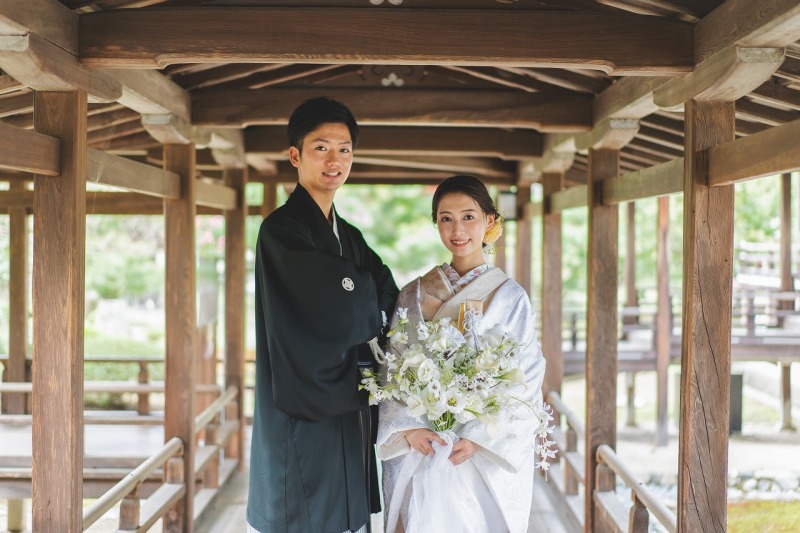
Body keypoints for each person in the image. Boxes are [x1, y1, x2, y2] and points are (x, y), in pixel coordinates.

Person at [246, 96, 398, 533]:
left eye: (344, 149)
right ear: (295, 156)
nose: (335, 160)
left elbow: (384, 290)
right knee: (306, 512)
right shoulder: (280, 231)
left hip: (346, 399)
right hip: (304, 397)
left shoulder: (348, 234)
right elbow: (341, 301)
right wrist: (358, 293)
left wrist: (357, 292)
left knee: (347, 518)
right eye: (321, 148)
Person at [376, 175, 546, 533]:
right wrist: (408, 429)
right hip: (424, 445)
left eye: (469, 216)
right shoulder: (413, 294)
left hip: (478, 453)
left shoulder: (511, 298)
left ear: (489, 221)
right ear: (436, 223)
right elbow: (393, 366)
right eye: (446, 218)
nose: (458, 229)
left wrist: (480, 437)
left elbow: (527, 377)